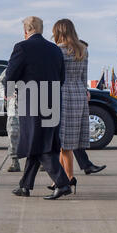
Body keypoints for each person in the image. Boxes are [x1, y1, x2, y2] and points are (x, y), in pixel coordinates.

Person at [6, 16, 72, 200]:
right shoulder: (55, 49)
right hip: (53, 101)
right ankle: (25, 186)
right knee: (38, 142)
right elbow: (61, 78)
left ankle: (63, 183)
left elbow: (11, 74)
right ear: (41, 29)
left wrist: (9, 93)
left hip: (32, 102)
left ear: (26, 30)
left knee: (41, 145)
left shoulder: (22, 47)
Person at [48, 19, 90, 194]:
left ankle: (68, 177)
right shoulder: (83, 49)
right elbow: (84, 75)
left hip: (63, 94)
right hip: (79, 93)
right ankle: (62, 177)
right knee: (69, 141)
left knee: (62, 141)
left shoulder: (57, 50)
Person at [0, 69, 21, 172]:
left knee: (36, 134)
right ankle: (14, 161)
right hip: (14, 105)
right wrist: (5, 94)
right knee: (13, 132)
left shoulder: (36, 64)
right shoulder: (13, 65)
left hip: (33, 104)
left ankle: (41, 160)